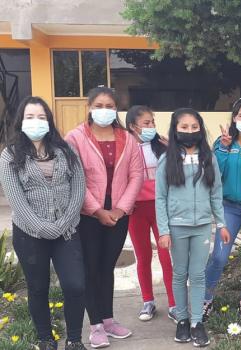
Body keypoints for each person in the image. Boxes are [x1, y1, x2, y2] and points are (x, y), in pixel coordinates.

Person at [0, 97, 86, 350]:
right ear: (21, 121)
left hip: (67, 230)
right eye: (30, 117)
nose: (35, 122)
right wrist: (43, 227)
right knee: (38, 288)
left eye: (41, 117)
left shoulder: (66, 150)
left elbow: (78, 188)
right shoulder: (10, 154)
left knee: (75, 285)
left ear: (48, 121)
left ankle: (74, 339)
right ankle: (45, 338)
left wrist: (64, 222)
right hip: (29, 234)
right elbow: (15, 198)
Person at [65, 87, 143, 349]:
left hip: (119, 215)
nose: (104, 110)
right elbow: (75, 179)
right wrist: (97, 210)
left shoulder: (127, 139)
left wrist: (120, 209)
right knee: (91, 268)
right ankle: (96, 325)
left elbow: (136, 175)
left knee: (107, 266)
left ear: (116, 109)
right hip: (88, 216)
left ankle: (109, 320)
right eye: (99, 105)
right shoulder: (75, 138)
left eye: (109, 106)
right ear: (89, 107)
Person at [155, 108, 231, 346]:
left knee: (198, 275)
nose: (189, 131)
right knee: (180, 274)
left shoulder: (209, 158)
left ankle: (197, 322)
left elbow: (216, 193)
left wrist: (222, 224)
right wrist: (164, 230)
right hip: (176, 228)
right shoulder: (167, 160)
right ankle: (182, 320)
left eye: (194, 127)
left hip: (201, 227)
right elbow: (160, 198)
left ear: (200, 129)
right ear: (175, 130)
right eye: (184, 127)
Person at [204, 98, 241, 320]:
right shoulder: (222, 142)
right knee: (219, 255)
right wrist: (224, 148)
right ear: (234, 118)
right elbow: (217, 174)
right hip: (228, 207)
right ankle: (206, 299)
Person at [125, 105, 176, 322]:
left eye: (153, 122)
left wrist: (172, 147)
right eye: (146, 123)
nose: (151, 126)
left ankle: (174, 303)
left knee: (166, 256)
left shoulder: (162, 146)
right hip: (136, 210)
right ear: (132, 126)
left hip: (160, 208)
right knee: (143, 256)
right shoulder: (125, 148)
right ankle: (148, 301)